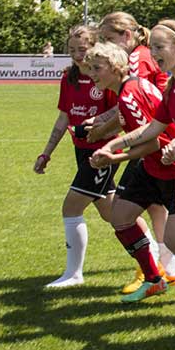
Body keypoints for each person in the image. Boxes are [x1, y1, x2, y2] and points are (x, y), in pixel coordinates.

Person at [82, 39, 175, 303]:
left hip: (172, 167)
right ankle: (154, 278)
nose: (92, 75)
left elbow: (154, 141)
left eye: (97, 68)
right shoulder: (130, 88)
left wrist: (114, 157)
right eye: (90, 69)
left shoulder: (129, 94)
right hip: (152, 166)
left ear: (115, 67)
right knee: (121, 216)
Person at [34, 24, 121, 289]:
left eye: (82, 49)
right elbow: (64, 118)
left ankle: (73, 274)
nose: (77, 55)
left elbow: (123, 113)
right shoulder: (68, 78)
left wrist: (103, 135)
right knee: (113, 213)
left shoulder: (105, 79)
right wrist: (46, 153)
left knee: (71, 206)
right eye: (72, 50)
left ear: (95, 47)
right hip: (81, 150)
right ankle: (154, 253)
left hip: (103, 152)